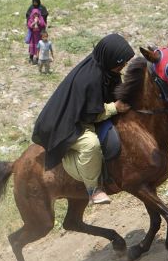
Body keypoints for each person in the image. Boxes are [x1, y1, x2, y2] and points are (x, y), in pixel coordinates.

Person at [32, 34, 135, 205]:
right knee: (91, 144)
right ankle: (93, 189)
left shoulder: (108, 70)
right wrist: (114, 108)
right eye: (120, 63)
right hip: (68, 124)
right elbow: (90, 113)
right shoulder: (90, 79)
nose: (123, 66)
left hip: (83, 116)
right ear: (109, 58)